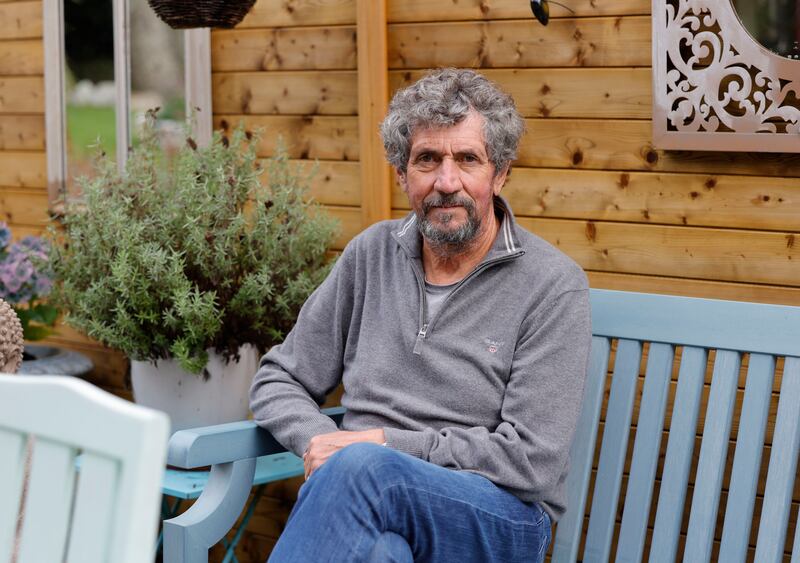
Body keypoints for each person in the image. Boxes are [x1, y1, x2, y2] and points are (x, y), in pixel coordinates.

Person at [249, 68, 591, 563]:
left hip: (499, 516)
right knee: (379, 553)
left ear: (500, 173)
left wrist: (383, 447)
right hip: (366, 496)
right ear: (401, 174)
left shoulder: (552, 285)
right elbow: (279, 378)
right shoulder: (371, 255)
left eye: (467, 159)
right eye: (427, 159)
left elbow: (532, 461)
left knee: (366, 471)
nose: (445, 182)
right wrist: (323, 444)